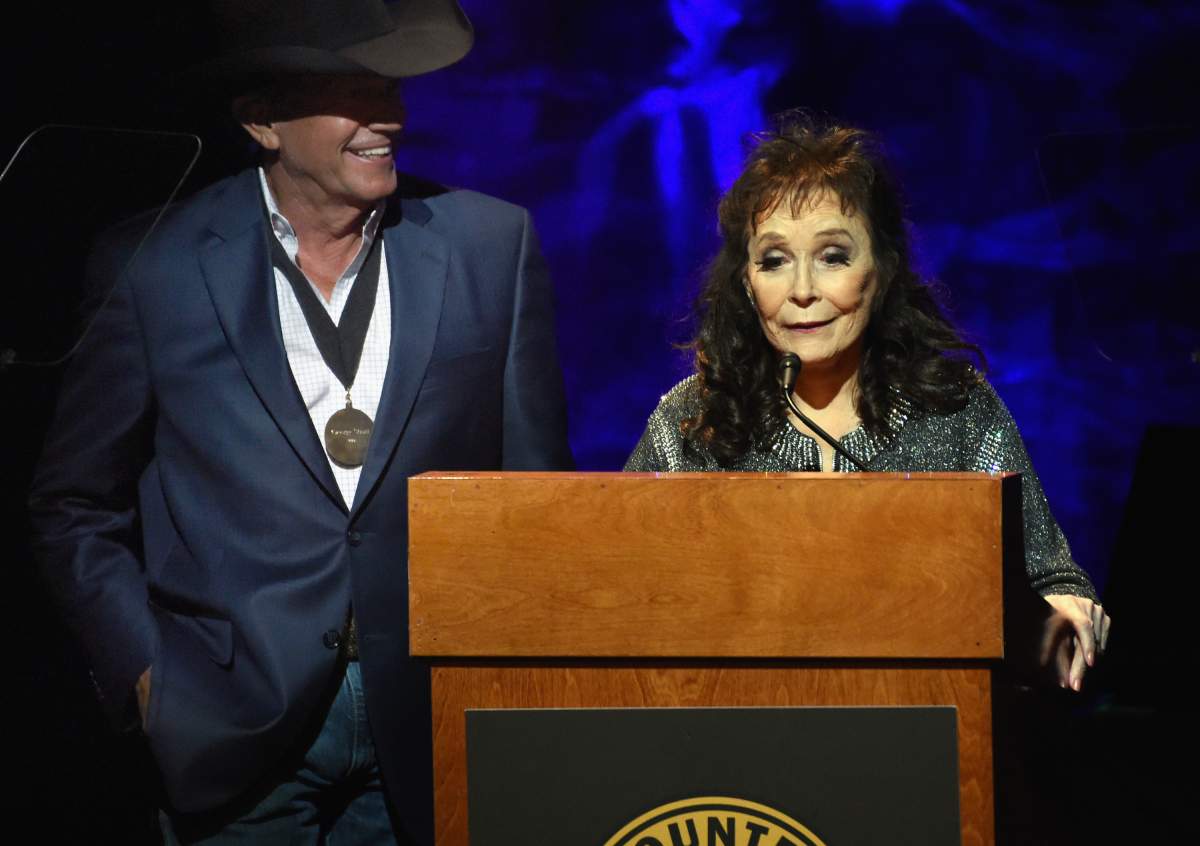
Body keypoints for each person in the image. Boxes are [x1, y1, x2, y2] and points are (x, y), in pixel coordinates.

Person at [28, 1, 572, 843]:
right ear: (262, 122)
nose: (387, 117)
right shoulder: (155, 264)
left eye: (390, 90)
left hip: (432, 712)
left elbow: (536, 497)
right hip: (229, 720)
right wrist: (145, 673)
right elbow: (72, 503)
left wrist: (522, 685)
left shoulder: (490, 243)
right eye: (353, 93)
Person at [625, 114, 1109, 692]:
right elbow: (617, 586)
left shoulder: (955, 410)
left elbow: (1052, 583)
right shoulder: (693, 421)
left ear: (881, 268)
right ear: (747, 283)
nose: (802, 290)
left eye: (833, 256)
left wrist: (1066, 615)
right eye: (774, 260)